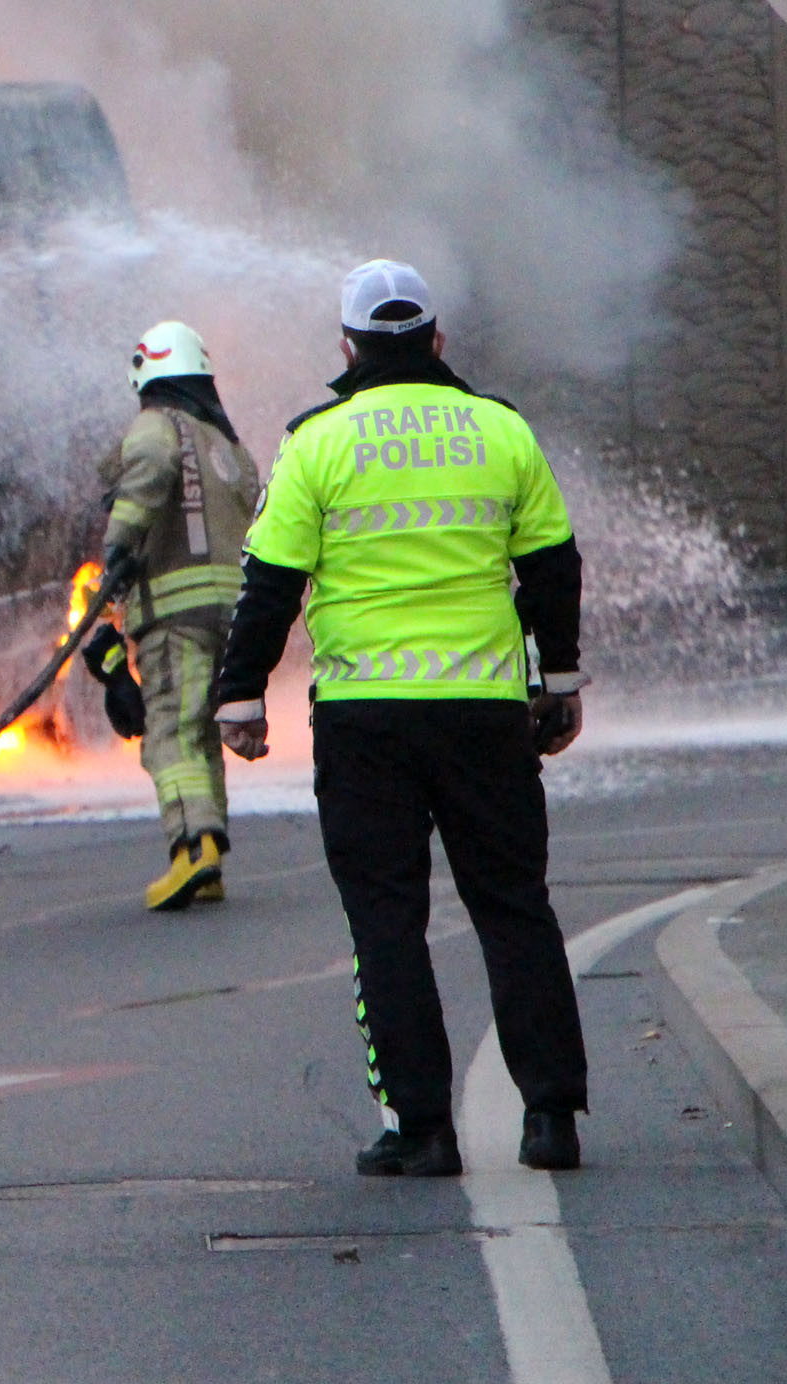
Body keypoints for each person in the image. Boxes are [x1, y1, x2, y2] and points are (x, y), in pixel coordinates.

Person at [208, 260, 590, 1179]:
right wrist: (561, 680)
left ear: (348, 346)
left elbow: (270, 585)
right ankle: (551, 1119)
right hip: (484, 715)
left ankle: (421, 1129)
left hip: (366, 723)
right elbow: (552, 566)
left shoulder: (318, 442)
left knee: (386, 921)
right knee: (514, 907)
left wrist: (241, 696)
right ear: (437, 339)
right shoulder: (501, 431)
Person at [91, 321, 262, 911]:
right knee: (201, 733)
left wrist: (118, 545)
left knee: (171, 732)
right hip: (233, 616)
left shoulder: (157, 427)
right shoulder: (229, 447)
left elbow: (149, 471)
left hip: (177, 614)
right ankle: (209, 857)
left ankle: (191, 849)